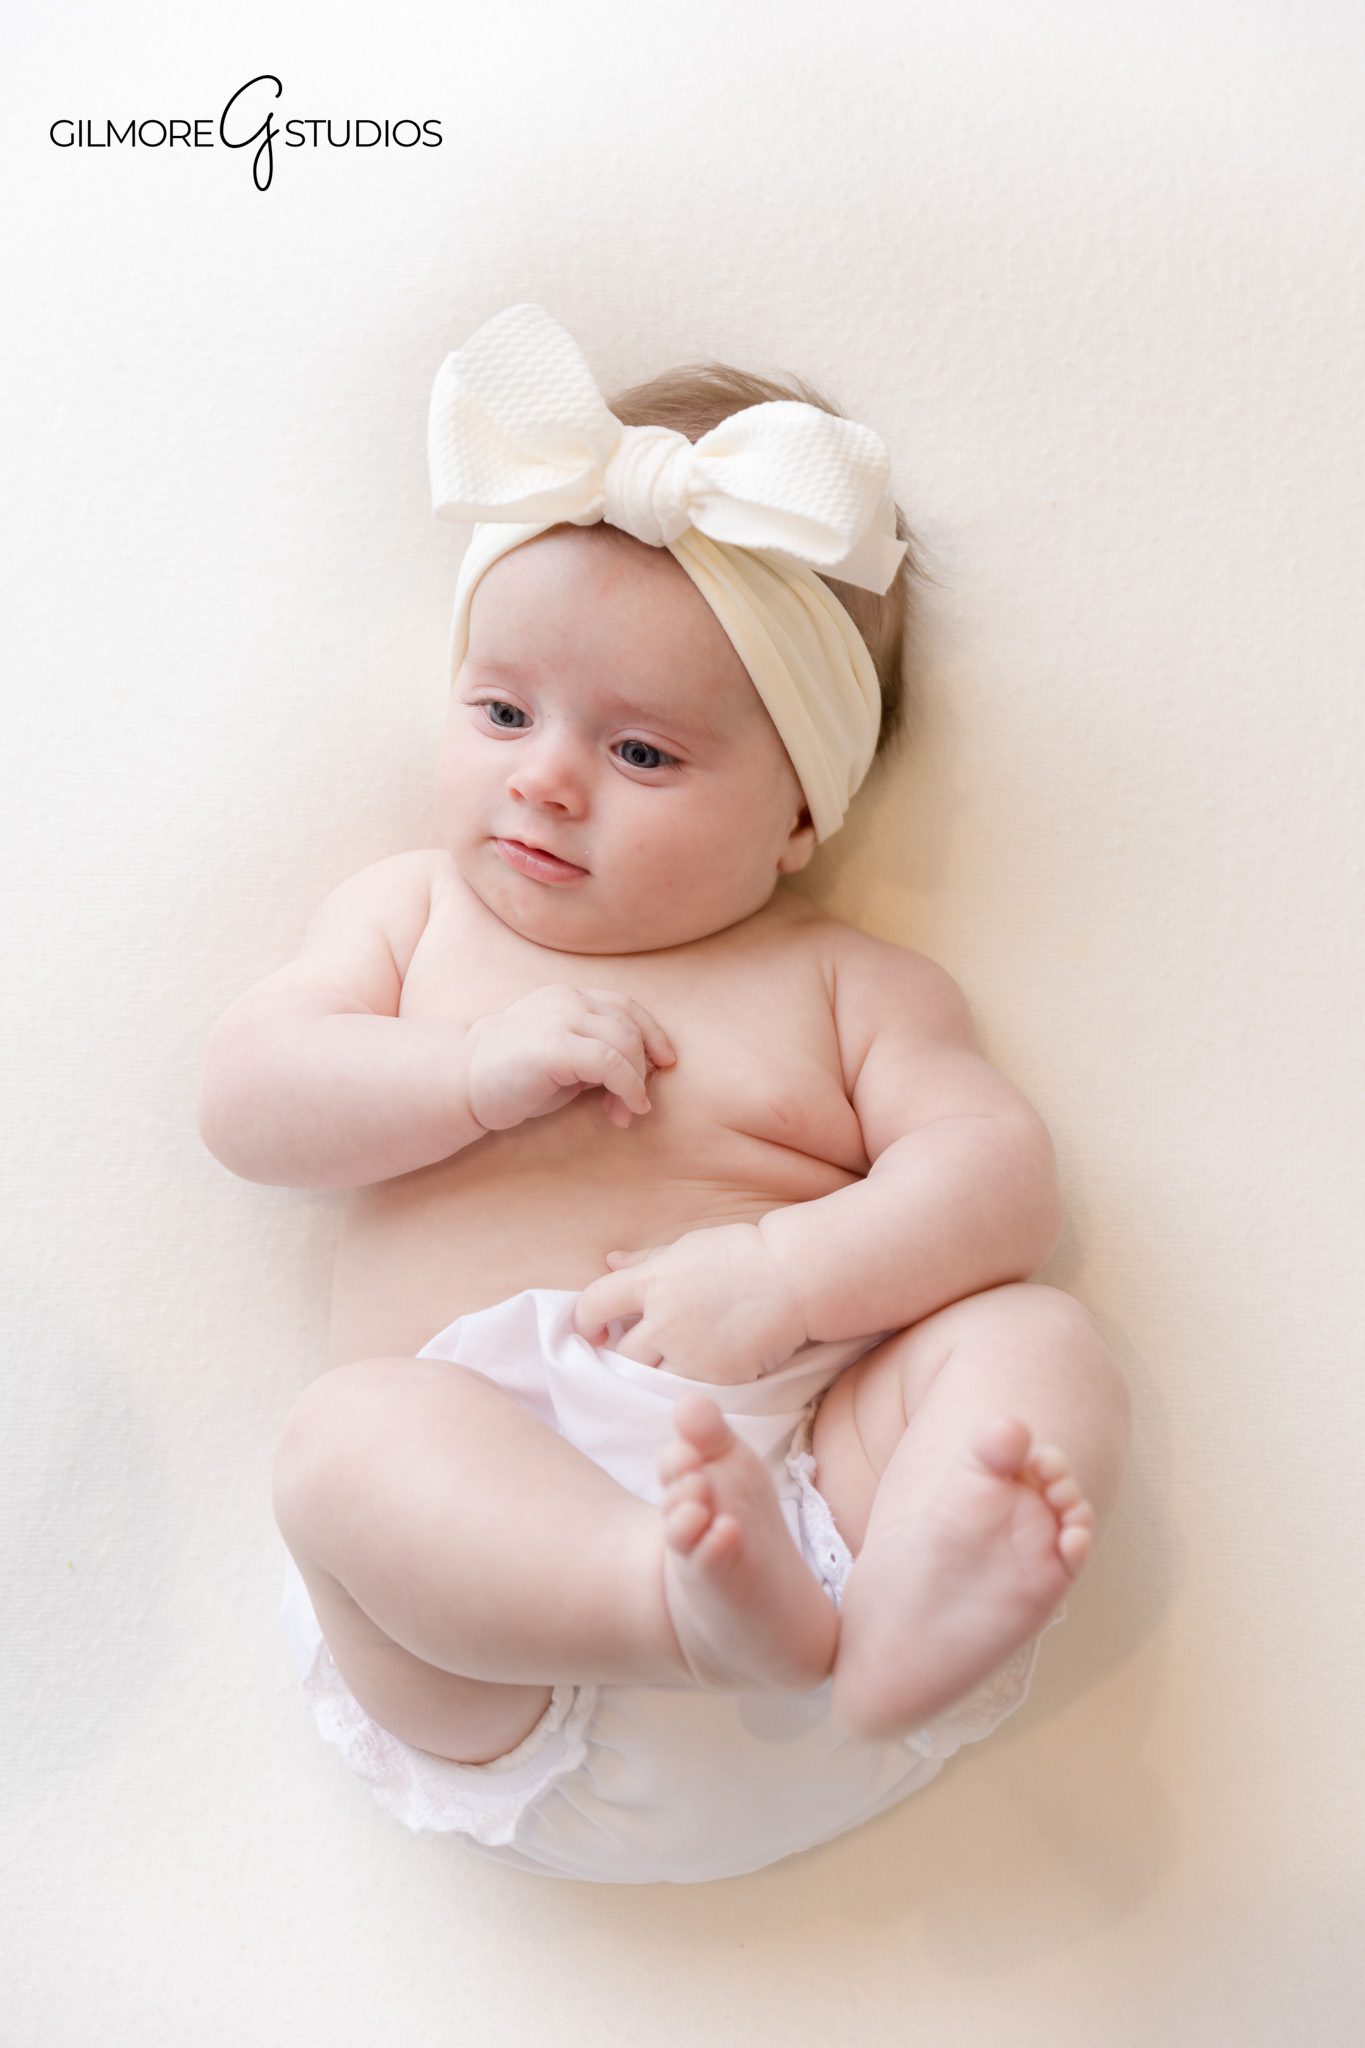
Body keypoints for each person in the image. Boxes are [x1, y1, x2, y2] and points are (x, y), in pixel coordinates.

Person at [198, 304, 1131, 1884]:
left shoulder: (849, 985)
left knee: (1028, 1339)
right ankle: (667, 1595)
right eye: (501, 714)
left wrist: (785, 1272)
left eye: (639, 752)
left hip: (814, 1540)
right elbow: (248, 1101)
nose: (542, 778)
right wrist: (465, 1073)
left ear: (797, 817)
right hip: (502, 1633)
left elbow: (996, 1185)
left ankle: (922, 1607)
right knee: (342, 1446)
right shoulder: (415, 916)